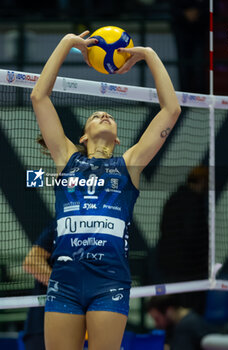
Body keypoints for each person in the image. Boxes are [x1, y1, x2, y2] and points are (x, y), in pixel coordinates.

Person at [30, 30, 181, 350]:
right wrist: (67, 42)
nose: (103, 114)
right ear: (82, 137)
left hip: (109, 283)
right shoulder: (65, 160)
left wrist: (149, 54)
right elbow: (39, 97)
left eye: (109, 117)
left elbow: (171, 110)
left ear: (118, 139)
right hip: (65, 282)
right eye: (96, 115)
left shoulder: (130, 165)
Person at [154, 165, 209, 314]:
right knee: (184, 311)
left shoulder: (174, 198)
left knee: (173, 309)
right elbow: (192, 235)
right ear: (203, 181)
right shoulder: (193, 203)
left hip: (171, 268)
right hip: (189, 271)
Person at [22, 220, 56, 350]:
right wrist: (65, 290)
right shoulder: (60, 224)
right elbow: (31, 262)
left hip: (76, 322)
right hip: (42, 323)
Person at [147, 294, 219, 350]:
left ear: (169, 311)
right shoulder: (188, 319)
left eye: (157, 319)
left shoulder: (186, 326)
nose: (156, 324)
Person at [169, 0, 209, 94]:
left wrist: (198, 12)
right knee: (184, 65)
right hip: (182, 31)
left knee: (199, 65)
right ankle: (185, 98)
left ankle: (200, 97)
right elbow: (173, 9)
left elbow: (212, 7)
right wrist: (184, 14)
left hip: (200, 31)